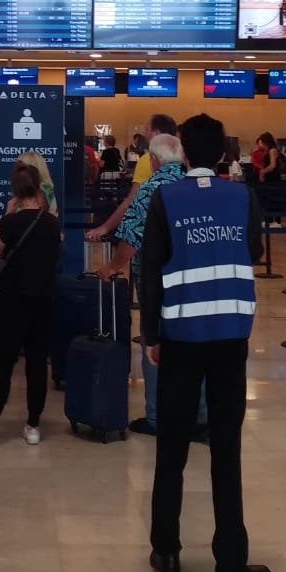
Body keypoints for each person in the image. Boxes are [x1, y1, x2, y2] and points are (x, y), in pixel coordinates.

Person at [140, 114, 270, 572]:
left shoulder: (165, 197)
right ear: (221, 153)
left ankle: (167, 550)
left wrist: (150, 333)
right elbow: (253, 250)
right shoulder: (242, 195)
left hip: (179, 336)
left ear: (186, 154)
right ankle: (230, 563)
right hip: (230, 336)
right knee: (225, 447)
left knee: (171, 444)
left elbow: (150, 271)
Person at [95, 134, 203, 438]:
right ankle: (200, 415)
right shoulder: (193, 186)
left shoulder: (152, 189)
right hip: (192, 280)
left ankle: (157, 417)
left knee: (154, 342)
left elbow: (132, 236)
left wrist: (112, 266)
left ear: (153, 160)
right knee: (194, 343)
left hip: (156, 282)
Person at [0, 165, 60, 448]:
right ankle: (33, 425)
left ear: (16, 192)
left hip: (13, 299)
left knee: (3, 363)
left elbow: (0, 247)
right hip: (44, 299)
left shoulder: (11, 222)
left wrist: (9, 212)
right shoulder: (51, 223)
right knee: (37, 363)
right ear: (38, 187)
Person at [88, 114, 178, 242]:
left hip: (153, 236)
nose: (144, 134)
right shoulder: (186, 158)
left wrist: (105, 228)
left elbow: (131, 200)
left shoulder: (148, 160)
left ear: (156, 133)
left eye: (147, 130)